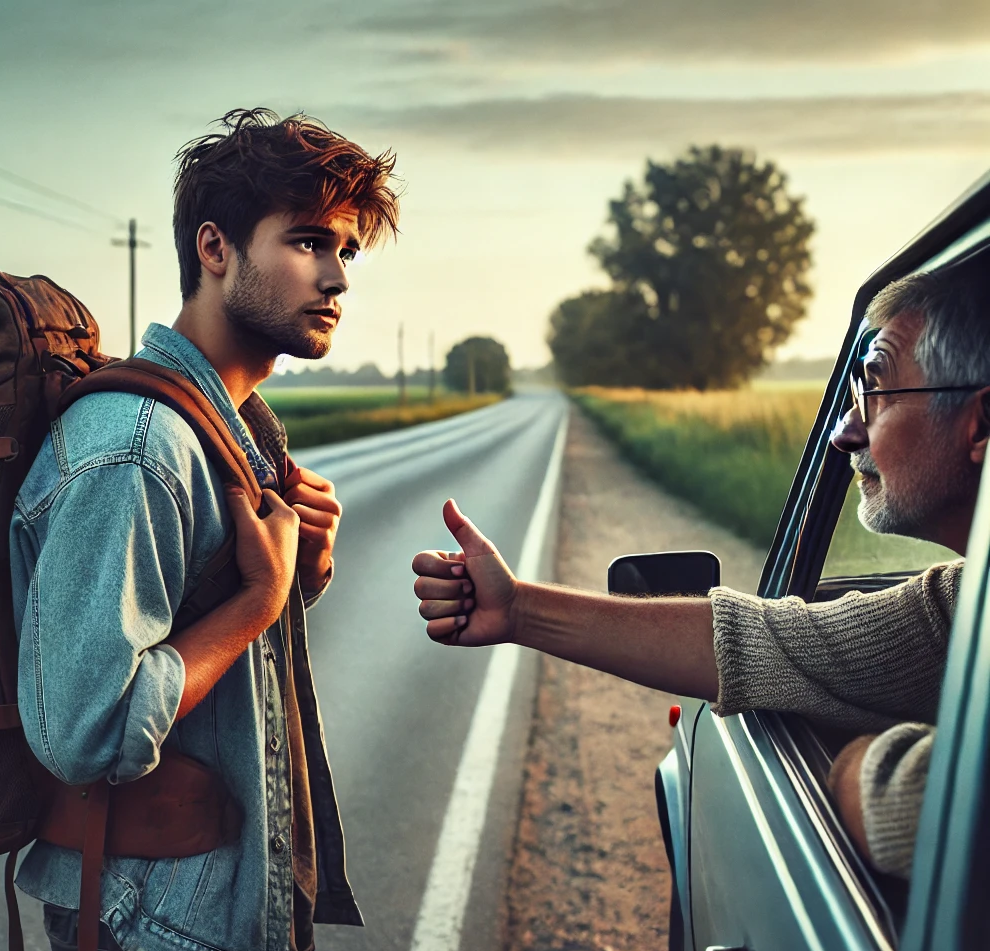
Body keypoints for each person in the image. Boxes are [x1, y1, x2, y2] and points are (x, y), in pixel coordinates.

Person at [413, 252, 990, 882]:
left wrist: (856, 767)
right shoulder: (967, 601)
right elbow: (771, 643)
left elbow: (919, 805)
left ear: (980, 423)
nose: (845, 432)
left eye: (876, 390)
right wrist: (519, 609)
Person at [10, 108, 399, 951]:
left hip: (190, 920)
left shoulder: (230, 433)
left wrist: (299, 576)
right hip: (148, 934)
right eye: (308, 242)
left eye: (346, 250)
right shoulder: (138, 447)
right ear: (214, 247)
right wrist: (259, 600)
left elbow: (196, 646)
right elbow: (88, 730)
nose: (338, 277)